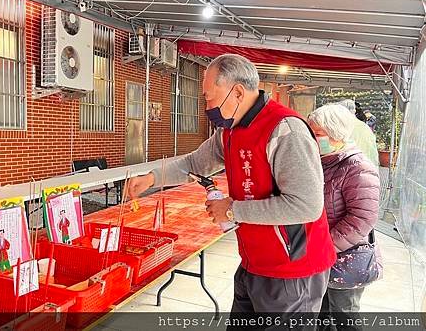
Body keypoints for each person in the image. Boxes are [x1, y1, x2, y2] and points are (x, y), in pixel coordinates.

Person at [127, 54, 336, 316]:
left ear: (237, 92)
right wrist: (152, 178)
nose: (207, 107)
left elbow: (306, 206)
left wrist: (232, 210)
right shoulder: (230, 131)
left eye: (209, 98)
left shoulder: (285, 130)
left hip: (292, 270)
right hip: (254, 262)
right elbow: (195, 163)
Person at [307, 104, 381, 324]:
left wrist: (325, 246)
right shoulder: (321, 162)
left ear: (336, 134)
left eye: (317, 134)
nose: (312, 139)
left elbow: (362, 219)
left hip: (344, 257)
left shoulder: (358, 168)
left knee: (344, 315)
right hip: (320, 254)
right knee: (320, 313)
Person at [338, 99, 379, 167]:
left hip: (351, 166)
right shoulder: (364, 127)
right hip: (367, 165)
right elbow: (373, 153)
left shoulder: (344, 127)